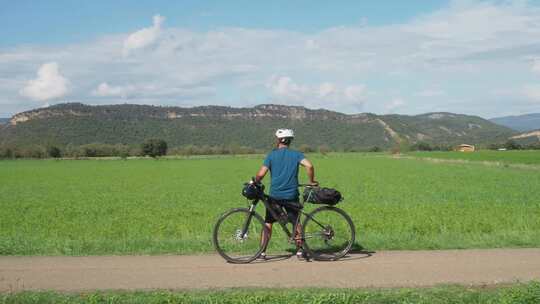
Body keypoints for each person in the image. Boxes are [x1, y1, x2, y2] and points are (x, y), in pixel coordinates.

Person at [253, 128, 318, 259]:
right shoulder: (296, 155)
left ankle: (262, 251)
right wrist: (311, 181)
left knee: (268, 223)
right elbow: (309, 166)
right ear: (290, 141)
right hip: (291, 195)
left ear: (278, 140)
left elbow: (261, 174)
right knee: (296, 222)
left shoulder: (271, 155)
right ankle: (300, 251)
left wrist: (254, 181)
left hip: (274, 196)